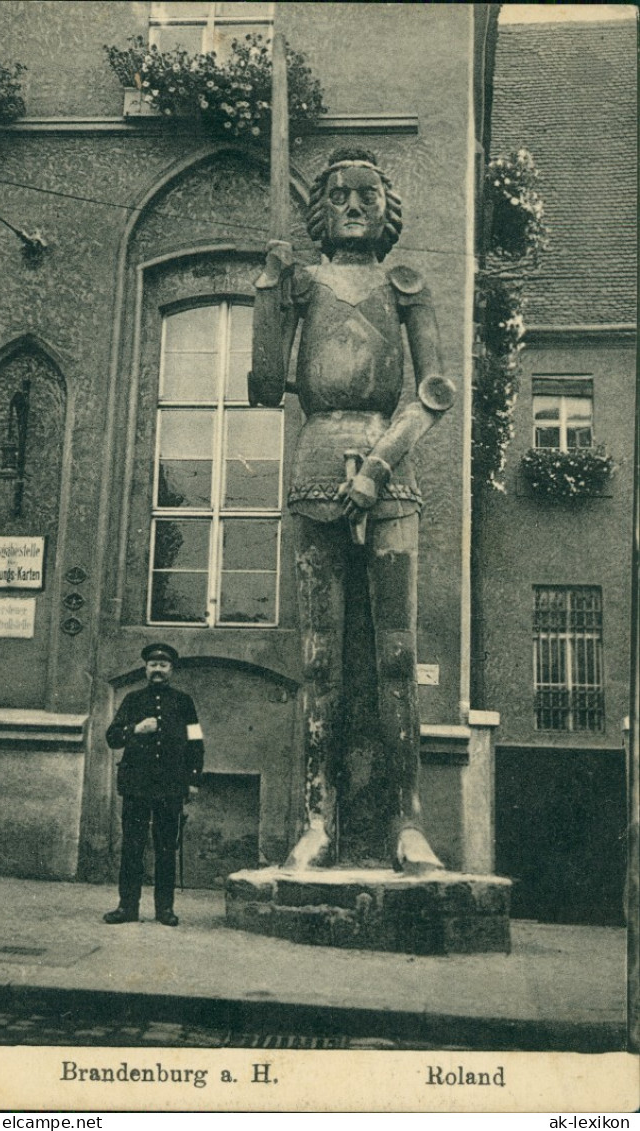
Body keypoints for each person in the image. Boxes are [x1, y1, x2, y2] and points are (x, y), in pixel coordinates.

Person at [250, 147, 456, 872]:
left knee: (396, 653)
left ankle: (407, 820)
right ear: (321, 207)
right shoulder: (301, 282)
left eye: (368, 193)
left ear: (387, 205)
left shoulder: (404, 283)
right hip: (314, 462)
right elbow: (265, 382)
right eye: (340, 195)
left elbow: (434, 391)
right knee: (319, 658)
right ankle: (315, 818)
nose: (355, 205)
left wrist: (375, 466)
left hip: (388, 465)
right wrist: (267, 293)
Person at [103, 643, 204, 925]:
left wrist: (193, 779)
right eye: (152, 665)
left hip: (170, 787)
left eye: (163, 666)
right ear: (145, 669)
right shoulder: (132, 700)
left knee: (165, 849)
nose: (157, 670)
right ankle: (127, 908)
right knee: (132, 847)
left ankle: (164, 910)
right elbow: (112, 737)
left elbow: (196, 741)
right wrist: (136, 728)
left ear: (171, 670)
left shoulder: (184, 703)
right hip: (137, 786)